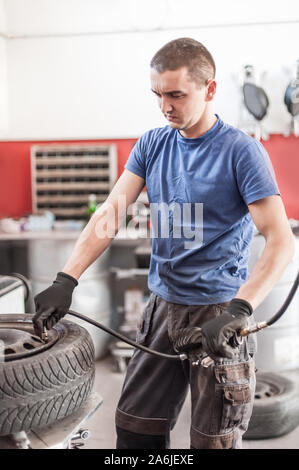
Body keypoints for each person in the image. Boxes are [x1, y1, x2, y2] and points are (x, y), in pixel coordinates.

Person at [33, 38, 295, 449]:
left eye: (176, 94)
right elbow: (111, 213)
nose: (165, 106)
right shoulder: (153, 144)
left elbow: (280, 240)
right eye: (157, 94)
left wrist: (239, 310)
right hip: (161, 311)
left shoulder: (241, 152)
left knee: (214, 442)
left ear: (209, 90)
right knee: (135, 433)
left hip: (218, 314)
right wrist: (67, 278)